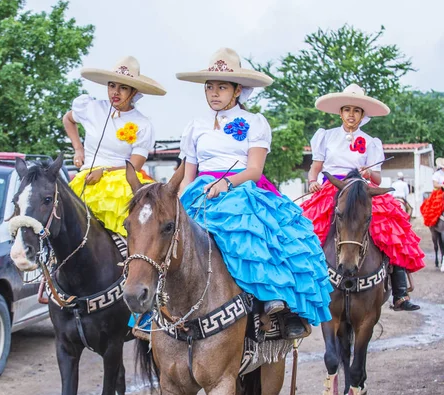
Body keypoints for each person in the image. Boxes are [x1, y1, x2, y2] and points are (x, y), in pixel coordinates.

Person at [177, 48, 333, 339]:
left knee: (259, 235)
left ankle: (277, 306)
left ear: (237, 90)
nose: (214, 93)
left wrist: (227, 184)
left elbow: (255, 170)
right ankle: (156, 314)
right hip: (200, 190)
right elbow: (188, 176)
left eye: (221, 87)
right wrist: (178, 203)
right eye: (209, 86)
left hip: (241, 186)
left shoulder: (255, 122)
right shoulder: (194, 126)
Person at [302, 84, 423, 311]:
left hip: (362, 189)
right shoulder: (325, 137)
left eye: (356, 110)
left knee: (392, 228)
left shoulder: (371, 141)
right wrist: (312, 181)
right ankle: (305, 291)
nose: (351, 114)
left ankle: (399, 293)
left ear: (362, 115)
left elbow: (377, 178)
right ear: (340, 113)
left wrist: (369, 173)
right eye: (346, 109)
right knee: (306, 232)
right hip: (332, 189)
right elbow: (314, 168)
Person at [63, 56, 166, 236]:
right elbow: (68, 119)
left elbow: (135, 166)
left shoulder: (142, 124)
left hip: (121, 179)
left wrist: (104, 172)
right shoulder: (91, 107)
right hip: (86, 178)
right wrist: (78, 148)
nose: (115, 92)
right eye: (112, 86)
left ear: (134, 92)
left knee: (133, 221)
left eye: (123, 88)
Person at [420, 158, 444, 227]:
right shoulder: (437, 174)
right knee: (436, 204)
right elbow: (435, 184)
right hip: (439, 191)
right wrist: (442, 185)